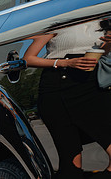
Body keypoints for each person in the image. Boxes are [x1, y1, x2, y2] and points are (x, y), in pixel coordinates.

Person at [23, 21, 111, 178]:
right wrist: (66, 62)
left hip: (91, 85)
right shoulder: (59, 18)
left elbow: (101, 54)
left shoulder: (102, 19)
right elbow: (29, 58)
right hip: (59, 85)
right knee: (72, 165)